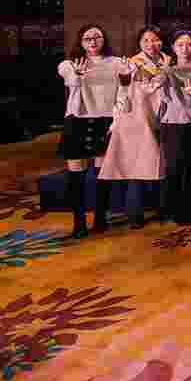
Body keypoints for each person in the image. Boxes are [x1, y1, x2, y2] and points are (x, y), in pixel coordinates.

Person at [99, 26, 170, 230]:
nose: (151, 44)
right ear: (139, 43)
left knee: (161, 164)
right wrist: (117, 116)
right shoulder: (132, 63)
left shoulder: (168, 61)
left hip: (163, 116)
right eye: (146, 40)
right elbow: (123, 90)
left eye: (155, 39)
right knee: (137, 165)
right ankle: (135, 214)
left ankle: (163, 209)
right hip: (136, 117)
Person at [58, 24, 120, 238]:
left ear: (104, 39)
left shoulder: (116, 62)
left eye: (97, 37)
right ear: (80, 41)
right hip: (77, 121)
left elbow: (125, 87)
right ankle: (79, 223)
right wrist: (78, 75)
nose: (93, 42)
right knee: (77, 177)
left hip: (106, 121)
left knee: (103, 176)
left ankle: (101, 217)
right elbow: (71, 82)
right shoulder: (68, 64)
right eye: (87, 38)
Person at [157, 30, 191, 225]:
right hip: (172, 122)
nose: (184, 48)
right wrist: (164, 73)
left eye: (188, 44)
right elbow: (160, 95)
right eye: (180, 44)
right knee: (174, 167)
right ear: (172, 47)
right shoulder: (166, 69)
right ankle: (176, 210)